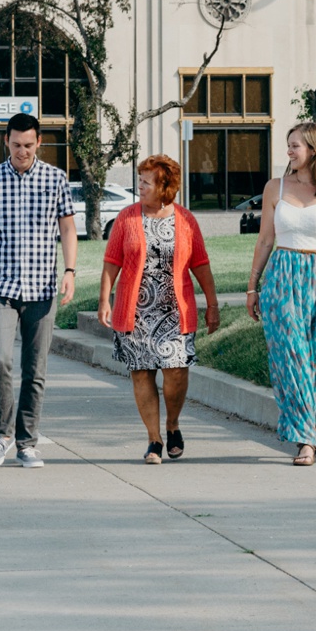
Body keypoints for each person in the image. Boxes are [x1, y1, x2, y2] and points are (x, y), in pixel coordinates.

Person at [0, 112, 77, 469]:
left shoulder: (56, 178)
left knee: (36, 369)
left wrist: (71, 270)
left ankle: (27, 442)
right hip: (0, 286)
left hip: (42, 289)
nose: (22, 151)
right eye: (16, 144)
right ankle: (2, 435)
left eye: (28, 145)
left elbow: (68, 228)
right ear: (6, 141)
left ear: (39, 142)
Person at [98, 154, 219, 464]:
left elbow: (201, 265)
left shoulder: (186, 219)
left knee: (176, 373)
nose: (140, 186)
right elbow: (112, 262)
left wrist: (212, 304)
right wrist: (104, 300)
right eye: (139, 179)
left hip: (174, 312)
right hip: (134, 312)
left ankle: (173, 424)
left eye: (146, 181)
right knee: (141, 374)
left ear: (165, 186)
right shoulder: (127, 218)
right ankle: (154, 440)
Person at [246, 122, 316, 466]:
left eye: (295, 146)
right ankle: (306, 439)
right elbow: (265, 240)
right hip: (282, 278)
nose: (289, 151)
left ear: (314, 150)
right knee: (290, 358)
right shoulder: (274, 188)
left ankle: (310, 425)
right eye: (289, 146)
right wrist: (252, 286)